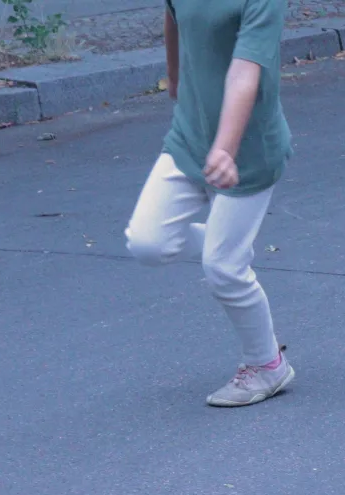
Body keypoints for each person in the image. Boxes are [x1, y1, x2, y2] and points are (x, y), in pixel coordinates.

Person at [124, 0, 296, 407]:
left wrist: (225, 148)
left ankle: (267, 365)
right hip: (189, 136)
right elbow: (174, 15)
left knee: (222, 269)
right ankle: (226, 246)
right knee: (147, 243)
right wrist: (173, 76)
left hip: (249, 151)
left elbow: (245, 70)